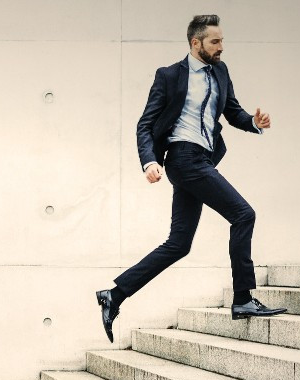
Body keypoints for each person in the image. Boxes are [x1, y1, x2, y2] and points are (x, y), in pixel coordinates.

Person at [95, 14, 286, 343]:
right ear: (195, 43)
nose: (221, 47)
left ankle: (115, 295)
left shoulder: (221, 72)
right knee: (243, 214)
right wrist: (149, 161)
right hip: (183, 158)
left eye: (222, 41)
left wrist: (253, 122)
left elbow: (233, 111)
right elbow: (146, 123)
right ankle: (243, 299)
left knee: (178, 244)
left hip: (201, 160)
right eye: (215, 41)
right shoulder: (169, 75)